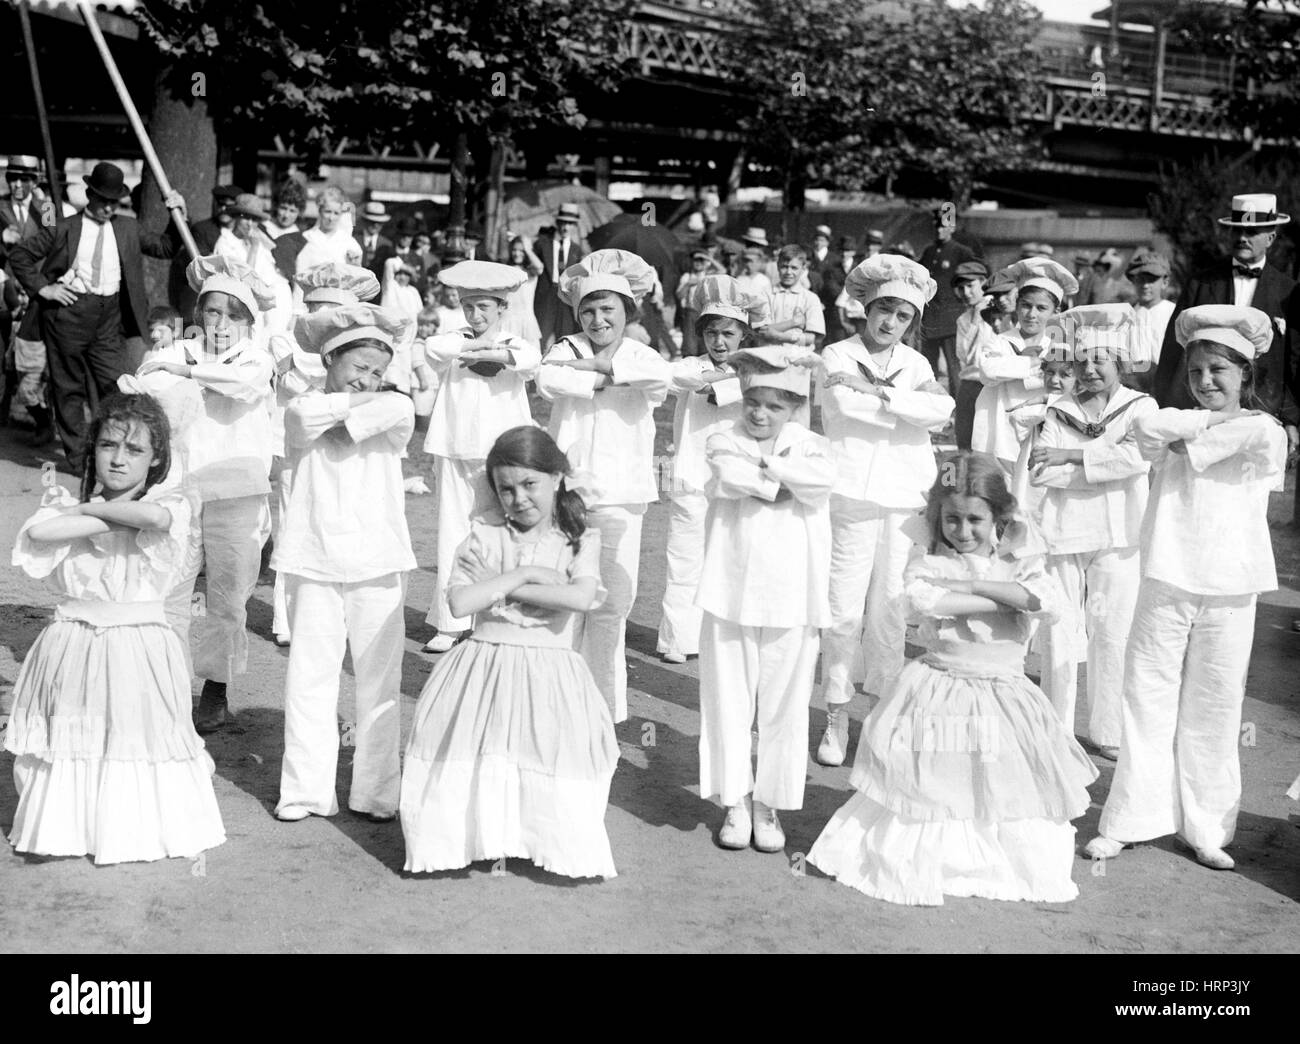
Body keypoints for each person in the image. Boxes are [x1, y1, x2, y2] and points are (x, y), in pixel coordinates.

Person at [808, 451, 1097, 905]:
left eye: (975, 521)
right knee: (937, 773)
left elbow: (1048, 603)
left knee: (1000, 774)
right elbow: (923, 603)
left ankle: (993, 857)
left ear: (998, 518)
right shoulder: (928, 564)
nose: (963, 532)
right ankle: (940, 857)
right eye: (952, 520)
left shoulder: (1021, 563)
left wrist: (974, 586)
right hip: (942, 681)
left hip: (1004, 687)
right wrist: (1005, 599)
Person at [1087, 306, 1286, 871]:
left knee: (1215, 706)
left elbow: (1253, 433)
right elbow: (1147, 428)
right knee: (1146, 699)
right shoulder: (1171, 416)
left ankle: (1207, 829)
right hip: (1166, 575)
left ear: (1246, 374)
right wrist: (1195, 426)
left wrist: (1190, 432)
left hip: (1230, 585)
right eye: (1197, 370)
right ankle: (1130, 820)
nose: (1206, 381)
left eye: (1220, 369)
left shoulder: (1266, 430)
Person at [5, 392, 226, 863]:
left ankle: (127, 828)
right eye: (109, 446)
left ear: (157, 459)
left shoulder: (172, 506)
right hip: (75, 638)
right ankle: (73, 826)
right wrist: (95, 513)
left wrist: (86, 513)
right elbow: (41, 533)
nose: (119, 459)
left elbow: (153, 518)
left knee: (132, 731)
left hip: (139, 641)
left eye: (135, 450)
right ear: (94, 451)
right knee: (78, 729)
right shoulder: (62, 502)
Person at [401, 425, 618, 878]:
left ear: (557, 478)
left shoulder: (579, 538)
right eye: (506, 489)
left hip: (551, 665)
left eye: (529, 484)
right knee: (483, 746)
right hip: (484, 661)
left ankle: (536, 838)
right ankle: (482, 837)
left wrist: (496, 590)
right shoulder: (484, 534)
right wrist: (525, 577)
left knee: (544, 748)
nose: (518, 499)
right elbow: (460, 602)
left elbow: (581, 598)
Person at [270, 302, 414, 823]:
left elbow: (386, 413)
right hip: (314, 560)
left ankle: (376, 793)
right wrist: (345, 404)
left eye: (378, 371)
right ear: (330, 360)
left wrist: (358, 400)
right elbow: (309, 420)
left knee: (380, 682)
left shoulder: (398, 407)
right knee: (310, 679)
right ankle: (306, 793)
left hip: (377, 559)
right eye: (358, 367)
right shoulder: (300, 407)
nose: (369, 379)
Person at [815, 254, 954, 767]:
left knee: (891, 610)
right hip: (850, 491)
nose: (889, 323)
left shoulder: (917, 364)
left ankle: (883, 712)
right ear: (865, 309)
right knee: (843, 608)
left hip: (903, 499)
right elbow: (846, 409)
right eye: (883, 310)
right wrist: (903, 406)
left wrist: (875, 392)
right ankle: (835, 710)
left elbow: (942, 414)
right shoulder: (834, 354)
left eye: (901, 316)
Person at [698, 346, 834, 852]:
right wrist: (781, 475)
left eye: (775, 406)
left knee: (785, 704)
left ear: (796, 409)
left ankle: (768, 803)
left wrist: (767, 469)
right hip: (729, 587)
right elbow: (734, 478)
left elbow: (820, 483)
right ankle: (735, 797)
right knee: (727, 698)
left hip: (793, 592)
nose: (759, 413)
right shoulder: (720, 438)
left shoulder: (816, 445)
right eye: (752, 401)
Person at [134, 255, 276, 734]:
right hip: (179, 486)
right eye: (211, 312)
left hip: (236, 488)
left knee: (229, 593)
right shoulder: (172, 351)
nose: (220, 324)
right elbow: (148, 381)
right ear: (198, 315)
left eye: (233, 316)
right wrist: (176, 364)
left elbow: (244, 385)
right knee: (171, 585)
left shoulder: (256, 359)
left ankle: (215, 686)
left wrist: (187, 373)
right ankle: (169, 683)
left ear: (248, 323)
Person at [536, 248, 670, 723]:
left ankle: (605, 710)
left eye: (607, 309)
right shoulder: (564, 349)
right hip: (568, 491)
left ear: (626, 311)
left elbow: (658, 380)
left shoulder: (642, 353)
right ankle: (559, 702)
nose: (597, 319)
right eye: (588, 310)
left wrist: (596, 370)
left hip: (623, 493)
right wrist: (603, 378)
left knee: (611, 604)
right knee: (567, 597)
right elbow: (546, 380)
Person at [1028, 304, 1156, 759]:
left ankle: (1107, 729)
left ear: (1119, 362)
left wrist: (1074, 458)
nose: (1089, 369)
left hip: (1119, 534)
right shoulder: (1059, 408)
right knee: (1059, 628)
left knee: (1111, 630)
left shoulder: (1142, 408)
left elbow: (1138, 460)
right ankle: (1054, 728)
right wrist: (1091, 462)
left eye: (1100, 359)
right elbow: (1042, 472)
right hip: (1064, 533)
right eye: (1083, 360)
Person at [9, 161, 186, 475]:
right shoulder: (63, 226)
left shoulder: (127, 227)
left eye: (114, 202)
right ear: (90, 195)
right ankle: (79, 460)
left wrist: (177, 217)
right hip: (67, 314)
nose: (108, 208)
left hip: (109, 317)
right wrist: (44, 289)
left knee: (113, 386)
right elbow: (20, 256)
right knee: (68, 388)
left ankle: (113, 448)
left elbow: (165, 247)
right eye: (103, 201)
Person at [419, 260, 539, 654]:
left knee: (504, 534)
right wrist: (474, 346)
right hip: (454, 447)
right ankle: (451, 623)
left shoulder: (516, 343)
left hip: (500, 453)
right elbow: (432, 347)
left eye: (485, 307)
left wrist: (495, 354)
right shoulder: (453, 339)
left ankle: (500, 616)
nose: (476, 314)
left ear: (503, 308)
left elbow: (530, 361)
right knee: (453, 533)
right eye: (469, 306)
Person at [658, 275, 769, 665]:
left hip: (735, 478)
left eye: (728, 334)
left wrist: (721, 379)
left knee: (733, 558)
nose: (719, 343)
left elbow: (734, 389)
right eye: (711, 334)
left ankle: (728, 637)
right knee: (684, 558)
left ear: (743, 337)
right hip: (690, 472)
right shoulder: (689, 365)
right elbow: (675, 377)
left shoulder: (755, 371)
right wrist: (709, 377)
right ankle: (678, 638)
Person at [1153, 194, 1299, 475]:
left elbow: (1292, 360)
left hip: (1260, 407)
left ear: (1270, 237)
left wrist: (1292, 419)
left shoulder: (1287, 292)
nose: (1242, 237)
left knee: (1246, 489)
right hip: (1203, 406)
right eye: (1237, 230)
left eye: (1252, 232)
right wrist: (1167, 407)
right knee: (1193, 480)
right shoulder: (1201, 283)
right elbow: (1173, 349)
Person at [971, 257, 1079, 476]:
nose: (1032, 314)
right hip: (998, 424)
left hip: (1038, 427)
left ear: (1055, 312)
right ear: (1017, 305)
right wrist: (1037, 364)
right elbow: (989, 371)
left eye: (1041, 308)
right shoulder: (999, 341)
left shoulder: (1059, 348)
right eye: (1026, 306)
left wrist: (1015, 370)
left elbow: (1065, 387)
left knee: (1032, 489)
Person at [918, 205, 978, 397]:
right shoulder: (928, 251)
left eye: (943, 226)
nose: (939, 230)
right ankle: (931, 403)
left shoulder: (962, 252)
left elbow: (976, 276)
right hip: (929, 319)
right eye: (936, 227)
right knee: (928, 366)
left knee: (954, 367)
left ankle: (958, 406)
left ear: (952, 227)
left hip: (952, 320)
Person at [533, 203, 588, 350]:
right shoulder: (542, 245)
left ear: (574, 226)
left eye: (570, 224)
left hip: (566, 297)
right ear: (557, 223)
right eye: (563, 223)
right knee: (541, 336)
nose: (565, 227)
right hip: (545, 296)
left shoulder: (577, 250)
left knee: (565, 337)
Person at [951, 259, 991, 450]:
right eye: (962, 288)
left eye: (971, 285)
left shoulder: (1000, 315)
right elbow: (966, 357)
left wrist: (983, 315)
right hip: (969, 386)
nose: (966, 293)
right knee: (965, 442)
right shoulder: (964, 320)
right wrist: (976, 319)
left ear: (984, 282)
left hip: (992, 386)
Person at [1125, 248, 1174, 393]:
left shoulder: (1174, 314)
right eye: (1140, 279)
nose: (1145, 285)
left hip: (1168, 386)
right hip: (1133, 387)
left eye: (1152, 280)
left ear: (1165, 282)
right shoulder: (1125, 317)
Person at [763, 244, 825, 351]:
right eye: (784, 267)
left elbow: (811, 338)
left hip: (800, 358)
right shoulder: (766, 294)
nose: (788, 272)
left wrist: (778, 335)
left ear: (803, 268)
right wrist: (793, 323)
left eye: (794, 268)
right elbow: (762, 331)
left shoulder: (810, 298)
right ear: (777, 266)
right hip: (770, 355)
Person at [295, 186, 363, 274]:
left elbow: (356, 274)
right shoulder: (306, 238)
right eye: (327, 212)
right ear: (320, 211)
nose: (331, 218)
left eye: (336, 213)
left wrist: (354, 265)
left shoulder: (349, 242)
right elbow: (300, 272)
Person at [498, 234, 544, 345]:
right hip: (507, 318)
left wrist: (527, 248)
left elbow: (539, 267)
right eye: (514, 250)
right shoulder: (504, 269)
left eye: (521, 250)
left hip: (526, 320)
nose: (517, 253)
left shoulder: (530, 271)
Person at [1, 155, 44, 246]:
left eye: (24, 180)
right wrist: (2, 236)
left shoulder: (48, 208)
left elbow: (52, 239)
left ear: (34, 182)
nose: (18, 185)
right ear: (7, 180)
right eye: (13, 178)